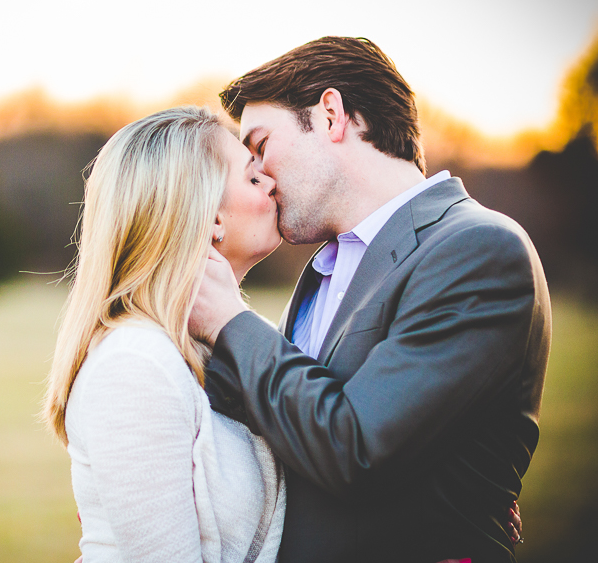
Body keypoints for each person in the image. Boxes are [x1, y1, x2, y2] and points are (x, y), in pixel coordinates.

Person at [189, 36, 550, 563]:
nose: (258, 174)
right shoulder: (324, 273)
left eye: (261, 145)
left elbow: (356, 450)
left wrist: (230, 320)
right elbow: (277, 423)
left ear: (332, 115)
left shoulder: (479, 249)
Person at [42, 106, 287, 562]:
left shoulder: (219, 343)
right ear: (209, 216)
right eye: (252, 179)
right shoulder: (135, 363)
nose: (271, 181)